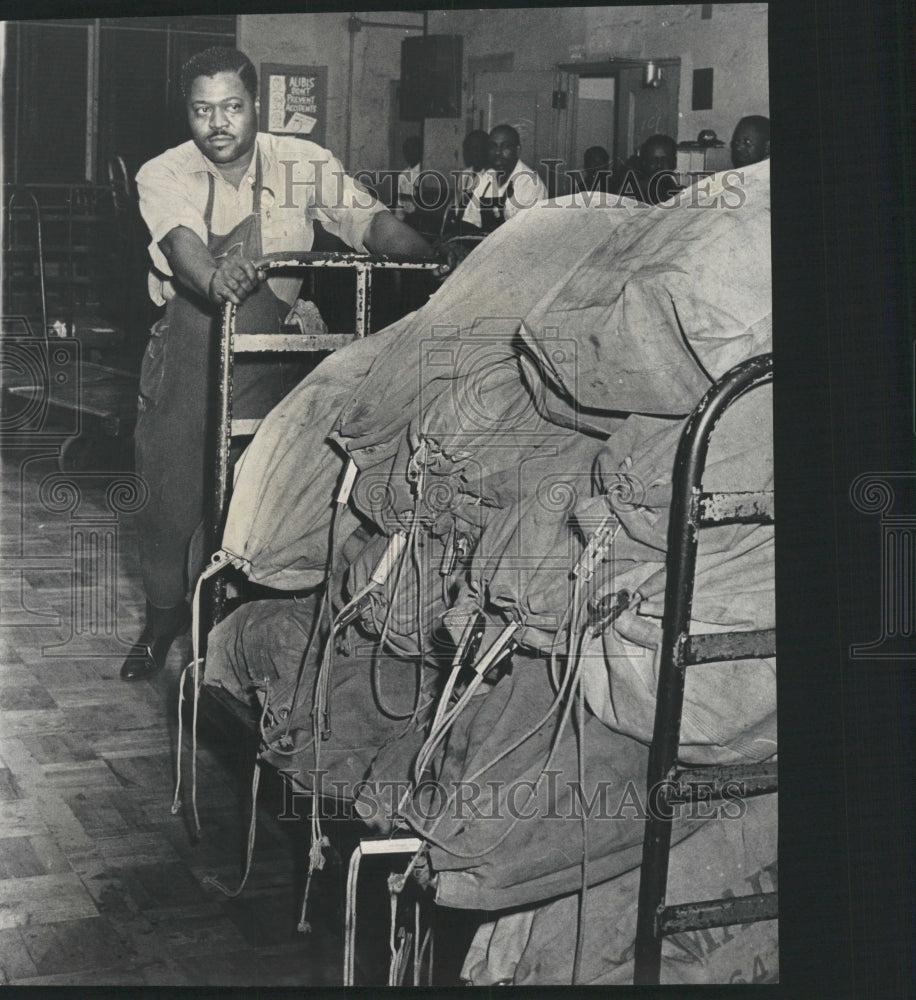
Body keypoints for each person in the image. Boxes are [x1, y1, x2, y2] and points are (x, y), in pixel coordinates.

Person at [123, 47, 451, 681]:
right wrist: (215, 277)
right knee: (168, 497)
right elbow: (181, 241)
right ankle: (162, 620)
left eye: (232, 108)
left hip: (271, 357)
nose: (218, 123)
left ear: (256, 107)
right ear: (186, 115)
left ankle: (220, 634)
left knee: (256, 497)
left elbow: (370, 225)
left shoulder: (300, 163)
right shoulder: (164, 172)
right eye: (202, 110)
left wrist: (430, 255)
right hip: (189, 350)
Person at [462, 123, 547, 231]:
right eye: (493, 147)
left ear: (517, 150)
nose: (498, 152)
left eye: (505, 147)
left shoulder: (529, 184)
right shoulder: (487, 177)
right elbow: (471, 220)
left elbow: (527, 233)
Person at [611, 133, 682, 205]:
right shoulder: (630, 192)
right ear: (644, 163)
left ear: (674, 162)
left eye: (664, 160)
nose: (659, 165)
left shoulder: (682, 195)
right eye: (653, 160)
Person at [394, 135, 422, 221]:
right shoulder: (403, 174)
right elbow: (400, 203)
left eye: (413, 149)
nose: (409, 153)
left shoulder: (424, 174)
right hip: (406, 220)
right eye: (406, 150)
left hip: (419, 218)